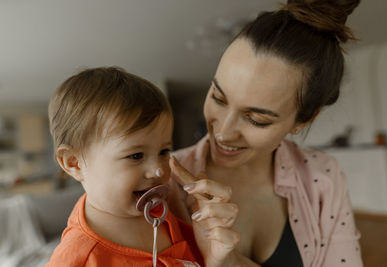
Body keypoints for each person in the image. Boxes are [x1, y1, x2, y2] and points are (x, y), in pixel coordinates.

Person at [168, 0, 364, 266]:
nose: (223, 132)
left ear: (303, 121)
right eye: (218, 97)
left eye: (256, 119)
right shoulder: (164, 182)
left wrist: (229, 263)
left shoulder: (323, 177)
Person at [45, 67, 213, 266]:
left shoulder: (161, 210)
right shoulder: (79, 257)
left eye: (163, 152)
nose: (158, 170)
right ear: (74, 163)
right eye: (136, 155)